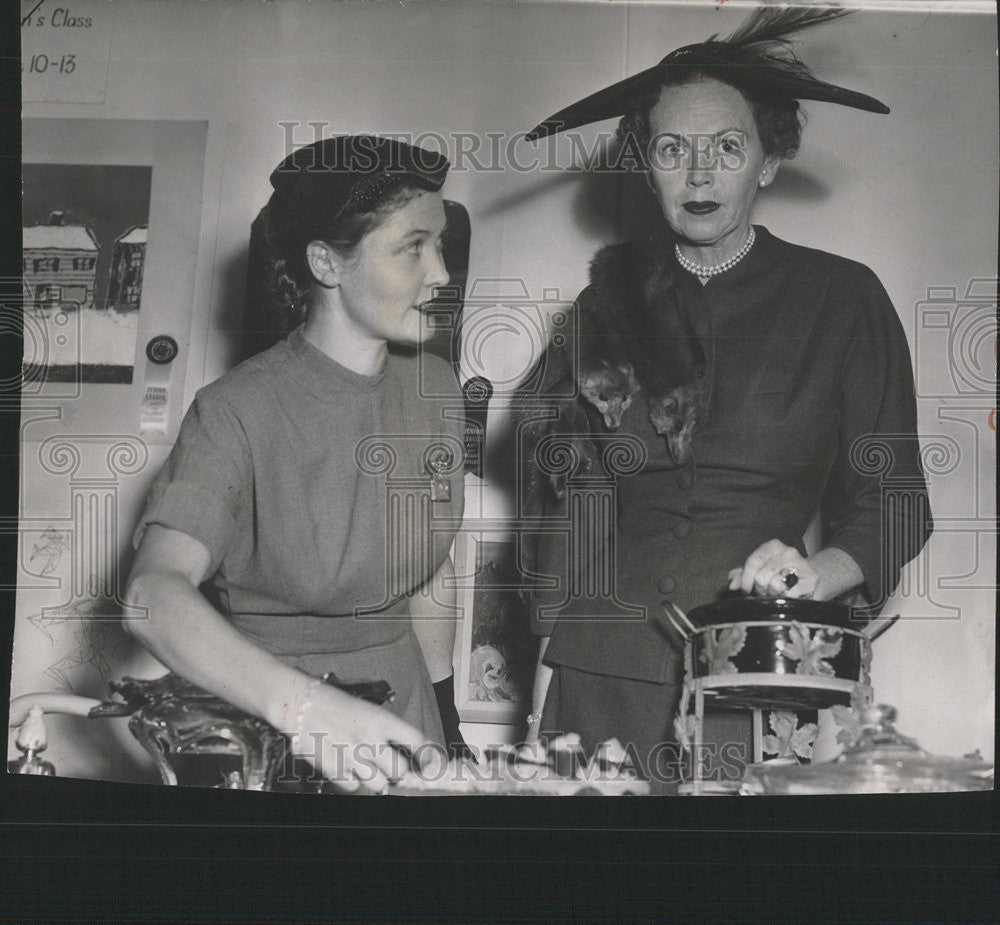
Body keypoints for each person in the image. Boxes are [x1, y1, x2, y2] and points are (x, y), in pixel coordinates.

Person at [519, 8, 933, 785]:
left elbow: (896, 498)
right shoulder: (604, 305)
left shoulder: (841, 298)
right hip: (600, 675)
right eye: (673, 149)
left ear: (767, 163)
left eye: (727, 148)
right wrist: (549, 658)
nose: (699, 173)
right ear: (645, 164)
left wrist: (821, 570)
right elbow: (573, 497)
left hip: (764, 669)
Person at [124, 135, 468, 794]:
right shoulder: (234, 410)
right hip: (276, 727)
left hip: (409, 713)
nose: (442, 274)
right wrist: (304, 711)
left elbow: (431, 571)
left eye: (442, 245)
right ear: (326, 264)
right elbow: (150, 597)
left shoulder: (436, 388)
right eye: (412, 247)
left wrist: (446, 718)